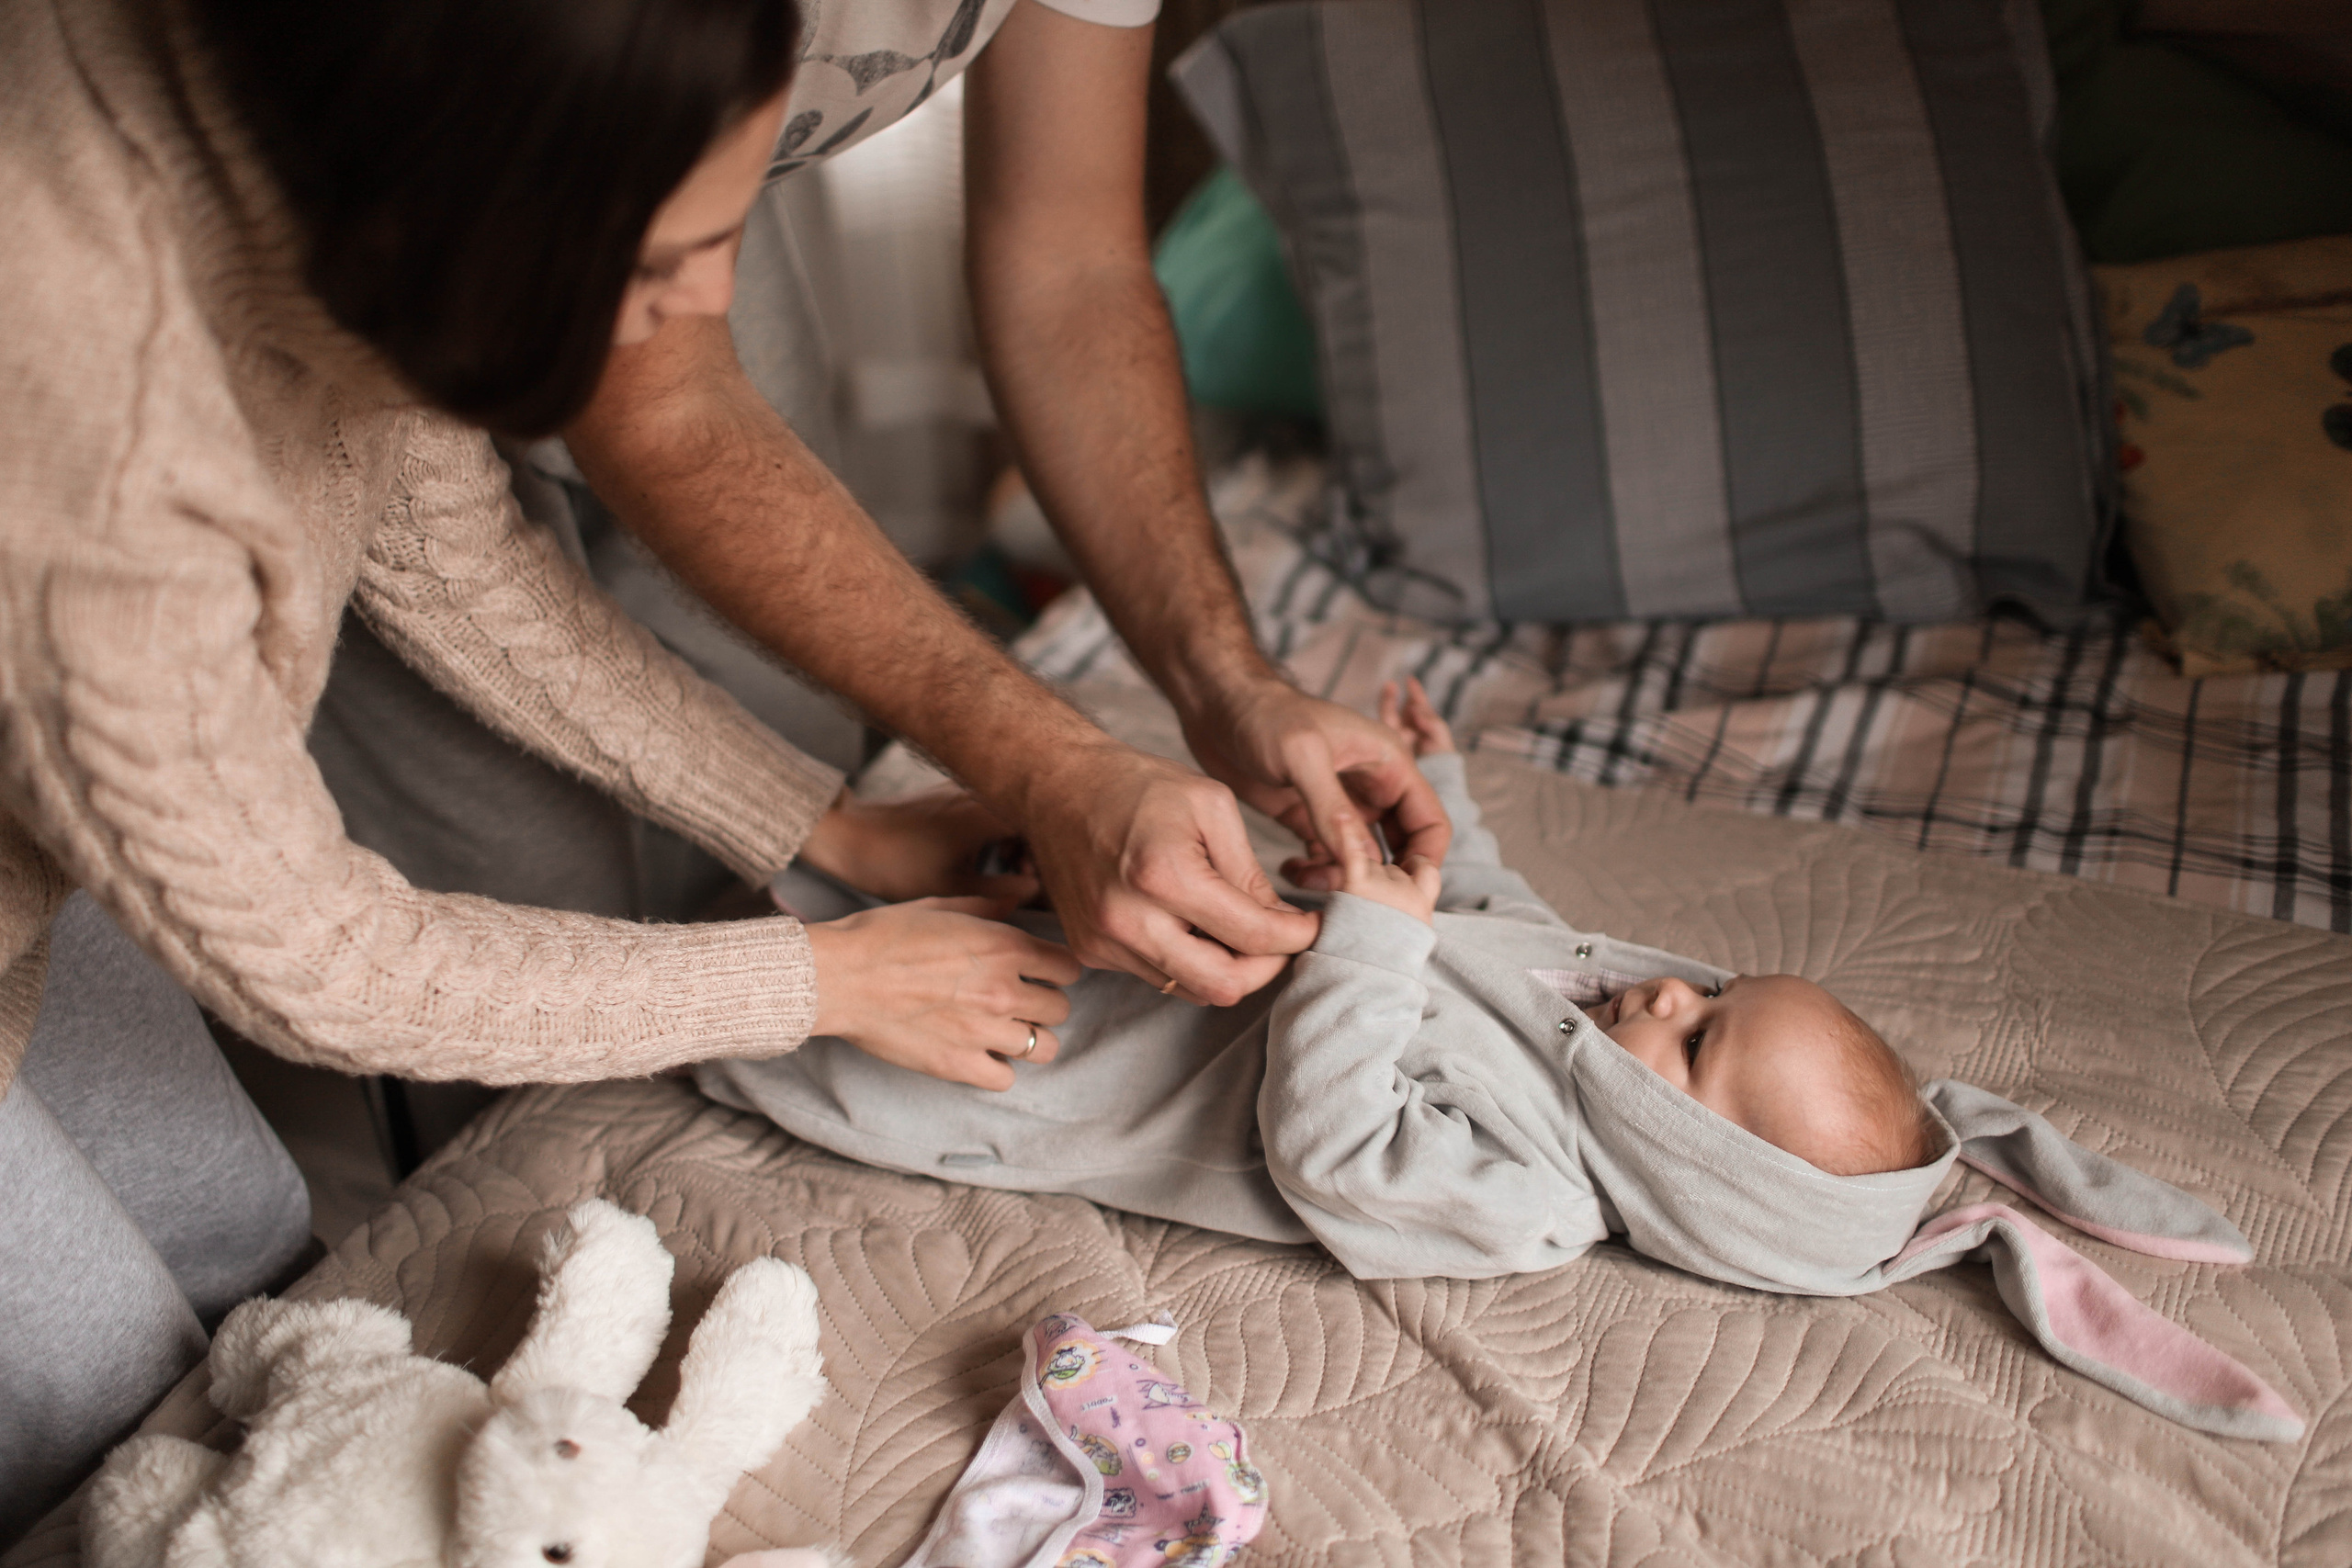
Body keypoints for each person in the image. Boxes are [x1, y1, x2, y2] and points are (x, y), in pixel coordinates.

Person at [1, 0, 1078, 1532]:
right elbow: (324, 958)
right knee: (104, 1425)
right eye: (654, 267)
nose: (698, 318)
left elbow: (463, 575)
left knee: (247, 1251)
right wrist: (829, 984)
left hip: (29, 797)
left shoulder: (380, 166)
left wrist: (829, 827)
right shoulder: (95, 436)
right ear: (460, 206)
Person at [701, 678, 1944, 1276]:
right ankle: (784, 838)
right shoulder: (1595, 997)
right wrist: (1442, 799)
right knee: (939, 878)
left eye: (1700, 1049)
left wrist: (1375, 941)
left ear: (1693, 1176)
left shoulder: (1533, 1203)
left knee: (841, 1027)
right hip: (1123, 948)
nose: (1676, 999)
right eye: (1719, 991)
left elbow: (1335, 1145)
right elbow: (1494, 910)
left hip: (1062, 1076)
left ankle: (708, 989)